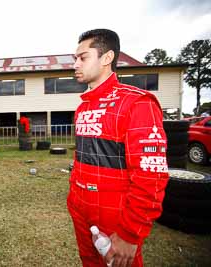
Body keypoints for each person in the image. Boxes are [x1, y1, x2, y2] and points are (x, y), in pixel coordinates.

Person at [67, 29, 169, 267]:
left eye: (83, 57)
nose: (75, 64)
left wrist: (131, 233)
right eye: (75, 58)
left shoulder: (137, 102)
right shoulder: (82, 107)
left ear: (106, 58)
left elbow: (151, 176)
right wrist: (74, 197)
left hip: (116, 213)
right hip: (81, 208)